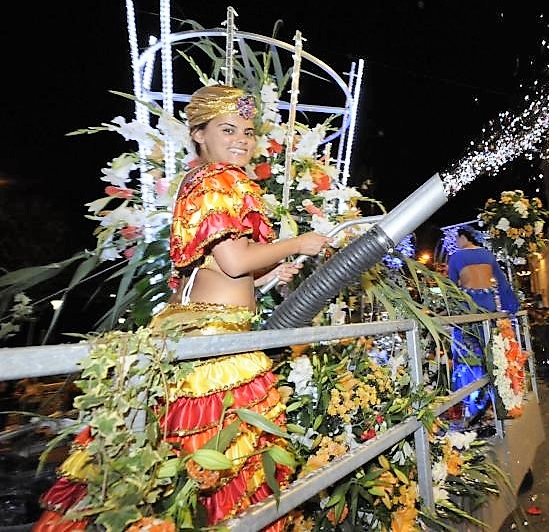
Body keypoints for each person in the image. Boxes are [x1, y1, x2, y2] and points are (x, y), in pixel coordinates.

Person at [36, 85, 330, 531]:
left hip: (207, 328)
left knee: (203, 463)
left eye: (248, 132)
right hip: (214, 343)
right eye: (228, 130)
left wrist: (267, 275)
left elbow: (217, 268)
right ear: (198, 134)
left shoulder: (204, 179)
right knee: (230, 463)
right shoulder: (218, 180)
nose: (241, 141)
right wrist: (298, 243)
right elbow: (234, 260)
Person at [446, 226, 520, 418]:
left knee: (468, 354)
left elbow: (451, 287)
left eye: (457, 238)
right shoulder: (488, 254)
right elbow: (503, 283)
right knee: (493, 351)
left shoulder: (456, 257)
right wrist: (510, 307)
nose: (456, 242)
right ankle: (498, 399)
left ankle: (473, 403)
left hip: (469, 306)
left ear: (464, 237)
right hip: (488, 304)